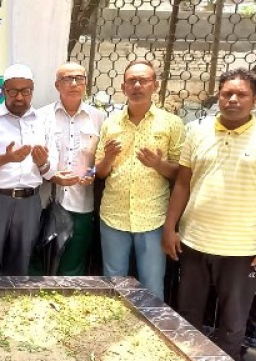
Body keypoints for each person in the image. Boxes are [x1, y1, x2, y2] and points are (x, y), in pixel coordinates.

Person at [162, 69, 256, 360]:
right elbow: (182, 182)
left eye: (241, 94)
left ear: (254, 100)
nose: (233, 99)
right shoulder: (198, 131)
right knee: (188, 315)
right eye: (227, 93)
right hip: (194, 241)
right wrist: (170, 228)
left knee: (232, 324)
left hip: (243, 249)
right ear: (218, 96)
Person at [95, 59, 184, 299]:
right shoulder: (110, 123)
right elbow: (99, 173)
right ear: (123, 87)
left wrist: (158, 164)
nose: (137, 85)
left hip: (153, 217)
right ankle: (113, 328)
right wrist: (108, 158)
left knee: (152, 286)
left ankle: (151, 334)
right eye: (131, 81)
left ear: (154, 85)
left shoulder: (171, 124)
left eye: (143, 80)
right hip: (114, 215)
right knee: (114, 283)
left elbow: (181, 174)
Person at [0, 64, 58, 276]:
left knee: (20, 265)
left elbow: (51, 169)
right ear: (3, 91)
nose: (19, 97)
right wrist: (5, 158)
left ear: (32, 91)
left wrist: (42, 163)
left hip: (29, 203)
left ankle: (15, 308)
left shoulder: (44, 121)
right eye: (13, 91)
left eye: (25, 91)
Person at [34, 63, 106, 276]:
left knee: (73, 268)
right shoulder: (41, 116)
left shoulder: (99, 118)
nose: (74, 83)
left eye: (79, 78)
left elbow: (102, 160)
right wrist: (50, 173)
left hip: (82, 204)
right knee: (39, 265)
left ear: (86, 83)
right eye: (67, 79)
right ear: (57, 85)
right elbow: (34, 158)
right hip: (46, 203)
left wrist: (91, 173)